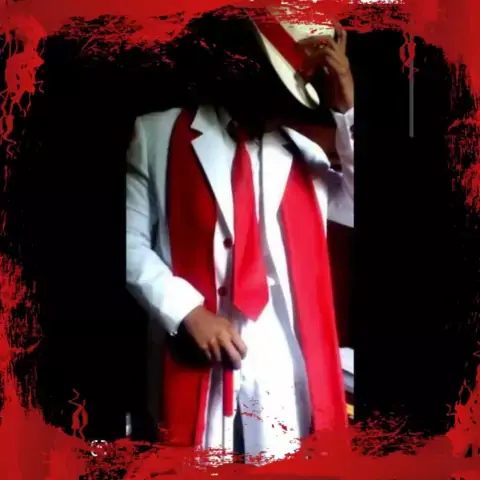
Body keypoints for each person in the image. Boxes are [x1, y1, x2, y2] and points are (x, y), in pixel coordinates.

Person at [126, 9, 354, 463]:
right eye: (282, 90)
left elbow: (355, 205)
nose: (290, 106)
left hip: (281, 357)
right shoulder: (156, 134)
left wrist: (347, 113)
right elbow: (128, 243)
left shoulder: (303, 152)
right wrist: (187, 310)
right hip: (192, 349)